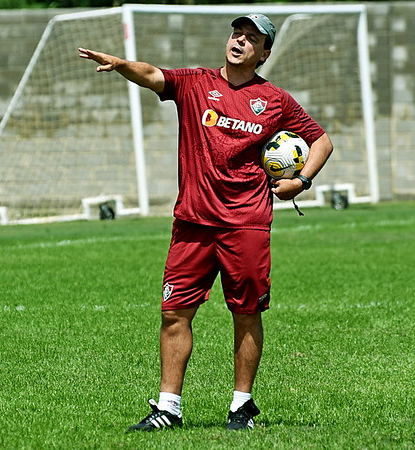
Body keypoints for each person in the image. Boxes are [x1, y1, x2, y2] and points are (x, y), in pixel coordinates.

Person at [79, 13, 333, 431]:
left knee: (246, 312)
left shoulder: (275, 100)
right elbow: (152, 74)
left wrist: (302, 181)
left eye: (252, 38)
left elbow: (321, 140)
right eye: (237, 33)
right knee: (174, 312)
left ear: (264, 53)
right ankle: (167, 408)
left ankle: (241, 407)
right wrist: (122, 64)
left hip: (246, 222)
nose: (240, 41)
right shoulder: (196, 83)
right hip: (192, 222)